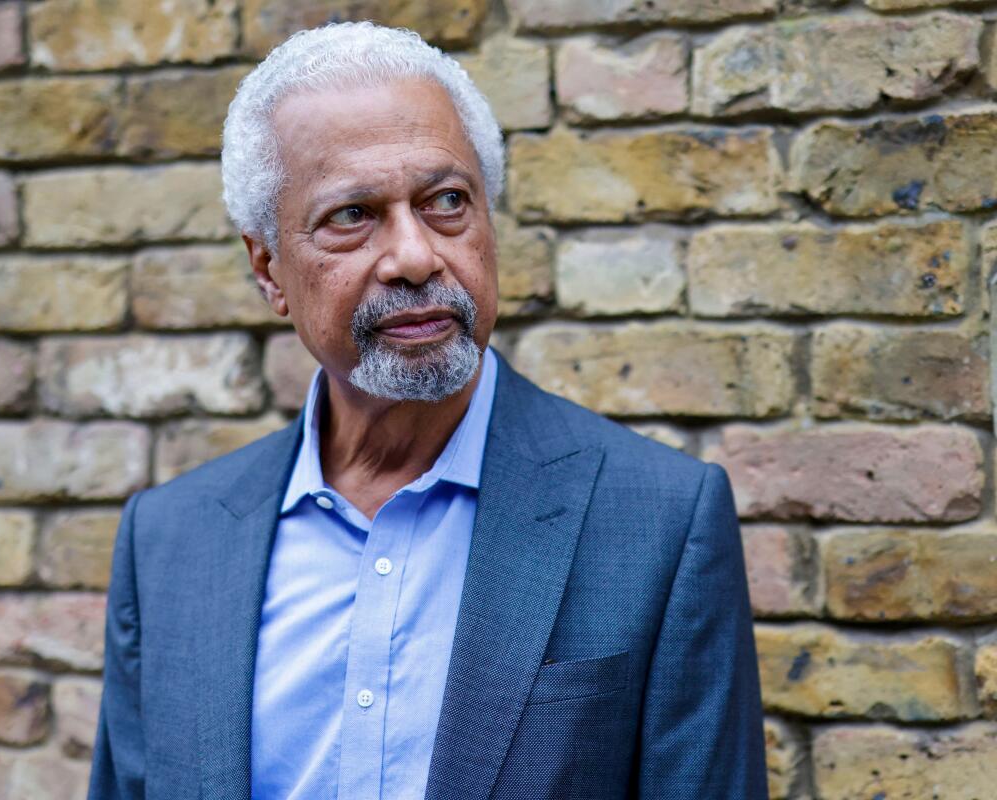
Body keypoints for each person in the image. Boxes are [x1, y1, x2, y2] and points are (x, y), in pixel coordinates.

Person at [88, 22, 767, 800]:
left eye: (446, 201)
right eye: (352, 215)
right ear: (268, 267)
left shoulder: (660, 522)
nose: (414, 256)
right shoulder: (170, 543)